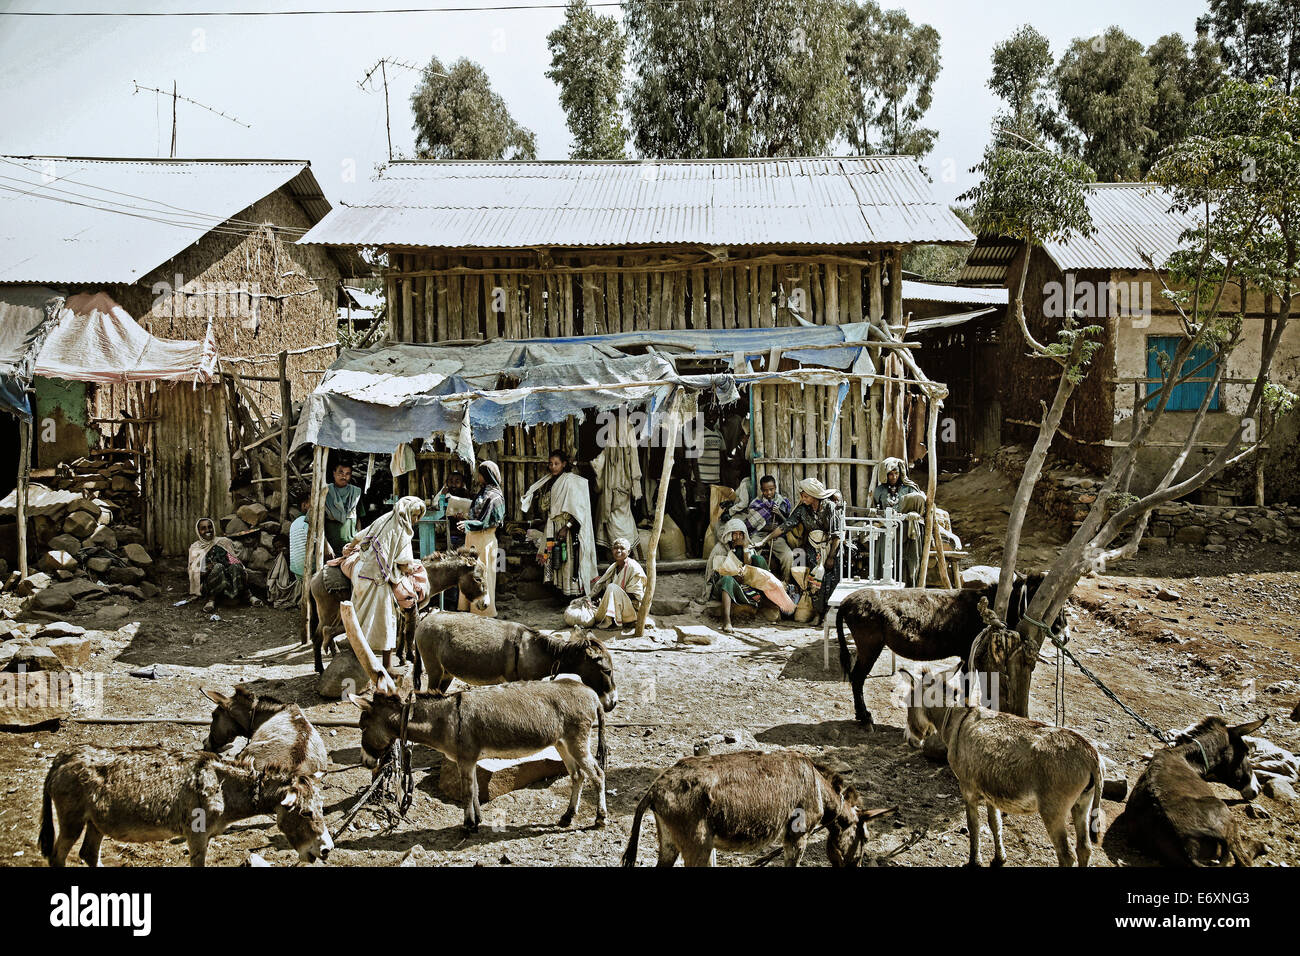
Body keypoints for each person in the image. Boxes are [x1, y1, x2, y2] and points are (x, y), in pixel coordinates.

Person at [341, 496, 427, 675]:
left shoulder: (386, 517)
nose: (416, 520)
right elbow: (404, 563)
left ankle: (359, 655)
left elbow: (360, 535)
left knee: (361, 614)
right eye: (414, 515)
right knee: (387, 618)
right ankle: (387, 665)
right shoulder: (402, 529)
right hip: (375, 578)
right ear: (407, 513)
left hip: (360, 569)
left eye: (419, 516)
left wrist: (350, 547)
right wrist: (412, 567)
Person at [755, 477, 844, 627]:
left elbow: (837, 535)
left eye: (805, 496)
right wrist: (765, 540)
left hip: (830, 549)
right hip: (811, 549)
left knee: (829, 578)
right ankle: (816, 613)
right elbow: (785, 526)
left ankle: (827, 614)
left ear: (814, 496)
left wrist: (830, 557)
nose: (802, 498)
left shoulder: (830, 507)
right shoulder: (802, 510)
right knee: (812, 580)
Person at [521, 449, 598, 598]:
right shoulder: (550, 481)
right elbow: (547, 506)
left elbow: (579, 511)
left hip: (568, 528)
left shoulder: (572, 481)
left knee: (569, 558)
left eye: (556, 463)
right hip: (554, 526)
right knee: (558, 559)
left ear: (564, 464)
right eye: (550, 464)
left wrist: (566, 527)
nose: (553, 467)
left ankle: (573, 592)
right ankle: (563, 593)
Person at [705, 518, 771, 633]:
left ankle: (766, 600)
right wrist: (733, 574)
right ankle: (726, 620)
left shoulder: (745, 546)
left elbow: (749, 566)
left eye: (740, 534)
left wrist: (745, 548)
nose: (737, 537)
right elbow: (716, 573)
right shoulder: (720, 549)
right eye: (734, 534)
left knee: (759, 559)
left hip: (742, 585)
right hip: (723, 585)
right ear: (729, 535)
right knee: (727, 580)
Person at [457, 460, 505, 617]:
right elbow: (477, 514)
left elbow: (485, 522)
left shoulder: (494, 496)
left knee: (483, 576)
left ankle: (484, 612)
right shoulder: (483, 492)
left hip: (484, 541)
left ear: (486, 475)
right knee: (469, 574)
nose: (478, 476)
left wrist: (468, 523)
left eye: (480, 473)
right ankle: (468, 608)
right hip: (473, 539)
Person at [188, 517, 260, 614]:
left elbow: (233, 558)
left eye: (210, 527)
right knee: (218, 567)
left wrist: (232, 563)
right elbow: (194, 574)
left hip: (229, 579)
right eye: (203, 528)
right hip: (210, 584)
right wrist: (206, 569)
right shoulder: (196, 548)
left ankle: (247, 596)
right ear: (198, 531)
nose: (208, 530)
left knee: (235, 566)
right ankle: (211, 600)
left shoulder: (223, 542)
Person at [588, 536, 646, 629]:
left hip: (631, 611)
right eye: (615, 548)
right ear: (612, 551)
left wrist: (613, 595)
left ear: (629, 552)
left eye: (622, 548)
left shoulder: (633, 568)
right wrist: (601, 599)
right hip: (619, 606)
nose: (618, 551)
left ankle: (614, 622)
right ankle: (612, 616)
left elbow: (635, 595)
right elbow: (603, 586)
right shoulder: (613, 567)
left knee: (612, 587)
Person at [744, 474, 794, 582]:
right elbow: (750, 524)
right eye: (766, 490)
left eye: (771, 489)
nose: (769, 493)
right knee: (749, 552)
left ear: (775, 488)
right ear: (762, 490)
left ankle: (786, 582)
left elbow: (789, 523)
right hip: (759, 534)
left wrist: (779, 513)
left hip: (776, 536)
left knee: (788, 556)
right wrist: (766, 527)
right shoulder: (756, 503)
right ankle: (751, 582)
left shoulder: (783, 502)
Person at [323, 462, 364, 556]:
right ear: (334, 473)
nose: (344, 476)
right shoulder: (325, 492)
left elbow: (358, 519)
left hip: (351, 546)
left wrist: (358, 542)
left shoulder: (355, 493)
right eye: (341, 473)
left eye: (347, 474)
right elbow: (318, 522)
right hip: (330, 547)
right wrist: (325, 545)